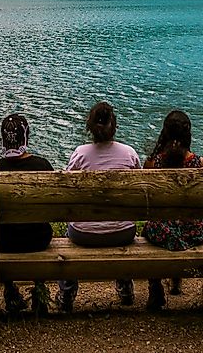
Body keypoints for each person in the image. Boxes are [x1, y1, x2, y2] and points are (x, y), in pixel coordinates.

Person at [58, 101, 141, 311]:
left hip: (83, 234)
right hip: (123, 232)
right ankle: (124, 288)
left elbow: (67, 189)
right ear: (115, 126)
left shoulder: (80, 154)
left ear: (90, 127)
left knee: (70, 233)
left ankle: (67, 293)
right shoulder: (129, 154)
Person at [142, 110, 203, 310]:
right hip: (194, 233)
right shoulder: (201, 165)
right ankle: (176, 280)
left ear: (164, 134)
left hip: (161, 234)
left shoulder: (152, 163)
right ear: (188, 136)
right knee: (181, 223)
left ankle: (155, 286)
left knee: (150, 229)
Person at [0, 113, 54, 316]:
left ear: (3, 139)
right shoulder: (43, 167)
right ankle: (39, 290)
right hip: (38, 240)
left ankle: (10, 290)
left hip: (3, 242)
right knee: (37, 225)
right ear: (25, 137)